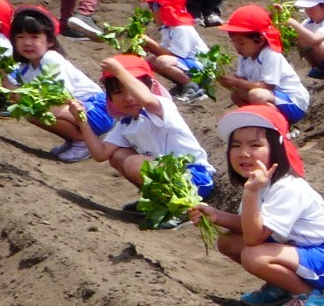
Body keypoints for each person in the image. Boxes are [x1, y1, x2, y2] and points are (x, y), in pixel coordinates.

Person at [190, 105, 324, 306]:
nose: (244, 153)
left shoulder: (287, 187)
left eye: (255, 145)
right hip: (298, 252)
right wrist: (217, 216)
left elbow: (254, 238)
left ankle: (312, 297)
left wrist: (251, 192)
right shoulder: (261, 184)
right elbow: (250, 226)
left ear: (276, 150)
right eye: (236, 146)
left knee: (254, 256)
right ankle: (284, 287)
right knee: (227, 241)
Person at [69, 53, 215, 203]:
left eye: (132, 89)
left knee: (134, 163)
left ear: (150, 87)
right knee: (118, 156)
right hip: (173, 177)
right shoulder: (126, 124)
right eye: (118, 92)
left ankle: (182, 206)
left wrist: (119, 72)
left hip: (195, 178)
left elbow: (146, 100)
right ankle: (160, 201)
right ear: (110, 98)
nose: (128, 97)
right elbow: (100, 154)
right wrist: (82, 121)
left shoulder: (161, 106)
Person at [6, 6, 112, 160]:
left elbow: (62, 96)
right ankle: (74, 139)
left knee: (34, 108)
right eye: (20, 37)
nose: (27, 43)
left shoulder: (51, 59)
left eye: (34, 37)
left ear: (49, 41)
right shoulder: (25, 68)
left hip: (97, 111)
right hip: (78, 112)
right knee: (29, 109)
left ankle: (82, 142)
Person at [215, 5, 309, 125]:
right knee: (236, 95)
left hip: (293, 103)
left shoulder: (270, 55)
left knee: (256, 95)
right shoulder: (245, 56)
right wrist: (227, 81)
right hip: (273, 98)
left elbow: (267, 86)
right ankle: (261, 122)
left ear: (260, 40)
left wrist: (236, 82)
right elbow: (242, 79)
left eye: (242, 43)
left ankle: (282, 125)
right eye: (233, 42)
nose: (237, 47)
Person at [140, 0, 212, 103]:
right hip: (188, 64)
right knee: (151, 61)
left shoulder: (182, 29)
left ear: (164, 8)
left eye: (153, 8)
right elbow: (163, 51)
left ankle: (194, 89)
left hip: (203, 70)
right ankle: (182, 85)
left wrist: (150, 43)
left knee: (162, 61)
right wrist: (148, 47)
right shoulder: (168, 28)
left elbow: (173, 56)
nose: (152, 12)